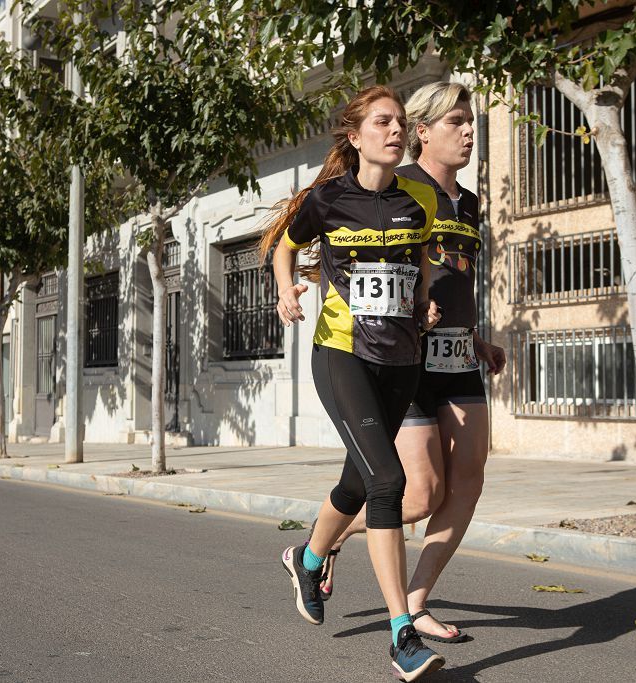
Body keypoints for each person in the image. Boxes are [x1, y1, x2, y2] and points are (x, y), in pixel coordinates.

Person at [315, 82, 508, 644]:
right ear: (421, 131)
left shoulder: (468, 203)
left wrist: (477, 336)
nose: (469, 132)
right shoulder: (402, 187)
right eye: (456, 122)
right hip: (406, 360)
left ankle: (417, 600)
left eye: (471, 122)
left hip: (460, 355)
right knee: (418, 495)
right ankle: (321, 545)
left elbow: (455, 276)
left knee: (468, 479)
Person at [264, 85, 445, 681]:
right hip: (342, 354)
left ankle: (307, 557)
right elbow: (285, 248)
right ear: (355, 135)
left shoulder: (420, 197)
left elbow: (419, 262)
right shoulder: (327, 199)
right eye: (383, 122)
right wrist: (285, 287)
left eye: (401, 123)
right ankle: (401, 634)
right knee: (388, 479)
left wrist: (423, 303)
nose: (396, 131)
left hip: (401, 359)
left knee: (357, 480)